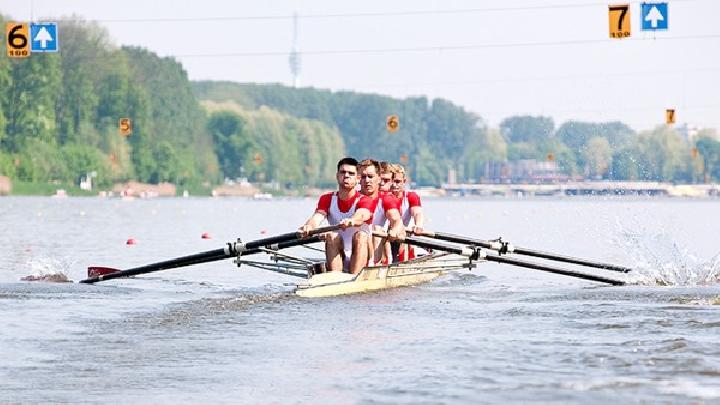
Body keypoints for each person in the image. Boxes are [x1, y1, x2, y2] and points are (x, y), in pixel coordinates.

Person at [337, 159, 405, 274]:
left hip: (375, 249)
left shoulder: (386, 199)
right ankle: (341, 269)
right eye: (363, 177)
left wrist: (395, 230)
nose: (367, 181)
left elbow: (397, 221)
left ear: (378, 178)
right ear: (359, 179)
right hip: (350, 251)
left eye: (370, 177)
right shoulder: (352, 196)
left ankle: (372, 266)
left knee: (376, 229)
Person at [299, 157, 361, 272]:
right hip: (337, 252)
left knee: (361, 236)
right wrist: (310, 227)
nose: (346, 176)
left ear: (358, 178)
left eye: (351, 173)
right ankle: (335, 277)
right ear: (337, 176)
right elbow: (317, 217)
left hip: (361, 257)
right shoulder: (327, 199)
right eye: (343, 172)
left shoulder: (364, 199)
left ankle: (355, 275)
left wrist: (352, 220)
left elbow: (362, 215)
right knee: (331, 235)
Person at [390, 164, 424, 261]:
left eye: (397, 182)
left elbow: (417, 212)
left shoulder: (411, 196)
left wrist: (418, 225)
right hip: (387, 238)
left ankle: (406, 261)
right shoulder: (382, 197)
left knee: (404, 235)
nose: (394, 185)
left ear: (404, 181)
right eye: (392, 181)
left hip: (405, 238)